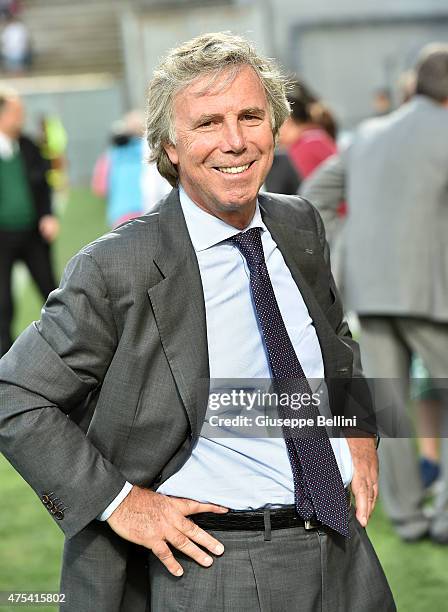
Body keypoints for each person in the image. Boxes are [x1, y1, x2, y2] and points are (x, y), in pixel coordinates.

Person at [0, 33, 395, 611]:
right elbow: (15, 392)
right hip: (217, 567)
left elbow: (333, 341)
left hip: (344, 547)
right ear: (170, 147)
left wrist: (359, 426)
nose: (235, 140)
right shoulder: (119, 266)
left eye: (251, 116)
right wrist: (120, 503)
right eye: (208, 123)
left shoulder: (299, 223)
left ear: (275, 125)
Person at [302, 43, 448, 543]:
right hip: (434, 290)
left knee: (388, 407)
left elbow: (313, 197)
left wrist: (339, 252)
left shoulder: (367, 133)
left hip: (367, 289)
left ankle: (408, 519)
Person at [0, 87, 58, 357]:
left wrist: (47, 214)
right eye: (15, 112)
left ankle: (64, 348)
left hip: (33, 234)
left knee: (52, 292)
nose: (20, 117)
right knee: (3, 302)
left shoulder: (29, 146)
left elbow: (44, 185)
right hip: (3, 238)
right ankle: (6, 358)